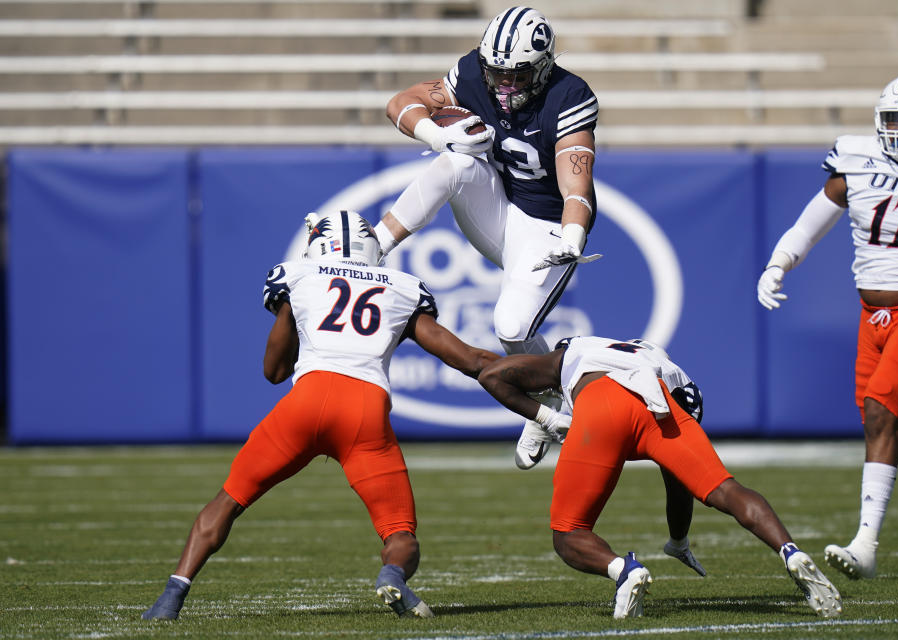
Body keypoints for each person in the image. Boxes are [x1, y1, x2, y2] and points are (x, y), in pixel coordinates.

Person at [142, 210, 500, 621]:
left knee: (228, 501)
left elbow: (274, 372)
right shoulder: (402, 287)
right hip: (365, 413)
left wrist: (291, 311)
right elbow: (469, 360)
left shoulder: (299, 277)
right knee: (400, 532)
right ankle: (393, 574)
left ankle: (170, 599)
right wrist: (531, 374)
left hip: (306, 403)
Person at [377, 6, 600, 469]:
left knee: (512, 328)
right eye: (496, 72)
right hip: (497, 211)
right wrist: (438, 137)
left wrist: (572, 236)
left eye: (516, 76)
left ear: (542, 67)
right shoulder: (471, 74)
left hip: (545, 226)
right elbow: (399, 102)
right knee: (456, 163)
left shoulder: (569, 95)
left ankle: (542, 412)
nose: (503, 85)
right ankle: (374, 246)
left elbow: (576, 186)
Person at [477, 336, 842, 618]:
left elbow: (492, 375)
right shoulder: (662, 363)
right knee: (726, 488)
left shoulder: (573, 352)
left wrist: (547, 418)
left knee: (569, 532)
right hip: (661, 404)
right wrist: (678, 540)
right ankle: (789, 551)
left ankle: (625, 570)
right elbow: (677, 480)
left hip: (601, 400)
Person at [757, 73, 898, 580]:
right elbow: (811, 223)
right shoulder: (855, 160)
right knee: (883, 427)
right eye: (892, 120)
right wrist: (778, 263)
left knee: (879, 413)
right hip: (872, 316)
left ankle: (865, 545)